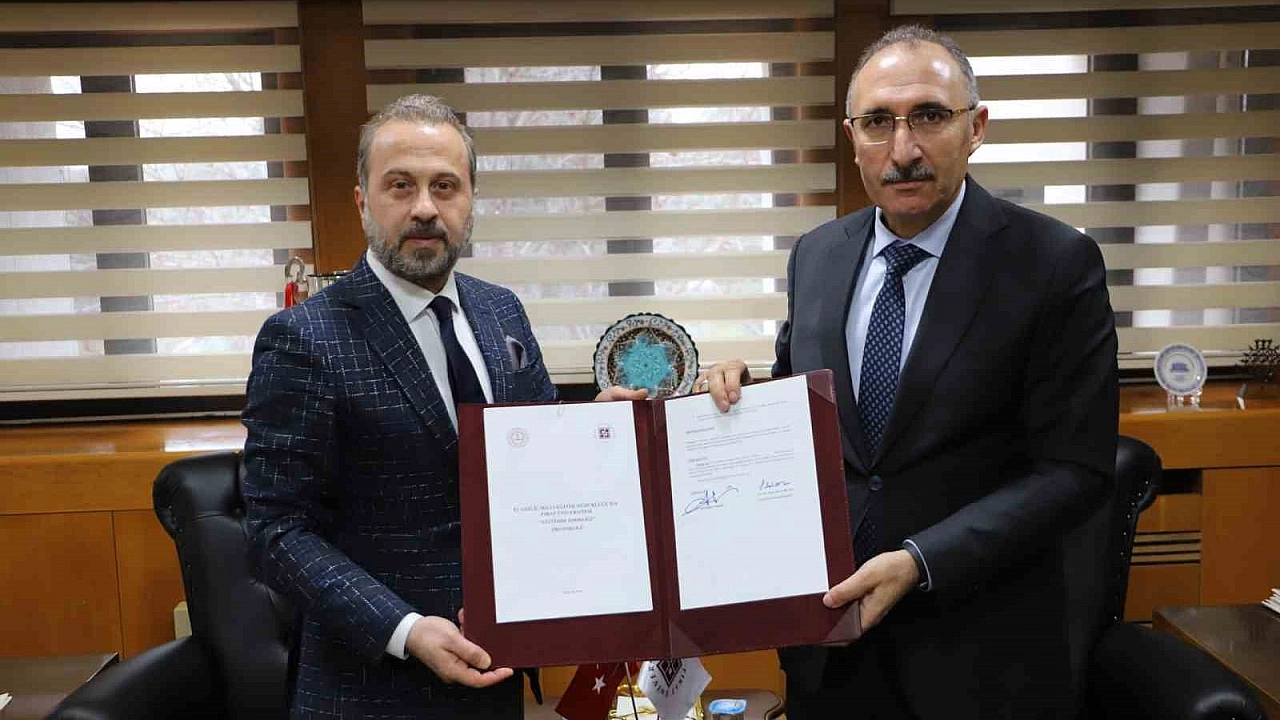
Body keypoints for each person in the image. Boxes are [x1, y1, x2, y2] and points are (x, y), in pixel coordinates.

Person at [700, 26, 1118, 720]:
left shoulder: (1053, 263)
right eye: (877, 123)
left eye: (928, 116)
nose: (903, 150)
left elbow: (1076, 470)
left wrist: (922, 561)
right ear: (851, 136)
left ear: (976, 127)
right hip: (829, 648)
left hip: (979, 655)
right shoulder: (817, 256)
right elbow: (815, 427)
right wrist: (738, 402)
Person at [242, 95, 643, 719]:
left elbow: (533, 462)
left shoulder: (500, 310)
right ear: (362, 201)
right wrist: (404, 629)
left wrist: (598, 430)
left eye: (445, 186)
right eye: (400, 185)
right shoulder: (304, 338)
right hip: (371, 691)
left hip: (495, 678)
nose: (425, 207)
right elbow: (276, 532)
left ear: (470, 201)